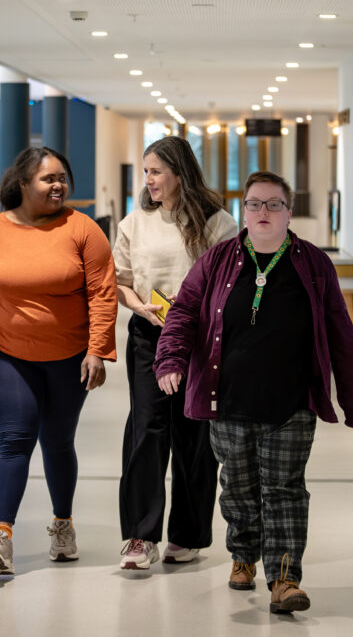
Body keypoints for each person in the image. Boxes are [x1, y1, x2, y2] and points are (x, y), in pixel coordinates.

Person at [154, 171, 353, 614]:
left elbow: (340, 333)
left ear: (289, 212)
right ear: (243, 211)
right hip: (227, 400)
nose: (264, 212)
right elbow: (183, 313)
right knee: (238, 488)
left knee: (286, 490)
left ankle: (285, 578)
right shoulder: (216, 260)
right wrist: (170, 360)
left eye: (274, 204)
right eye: (255, 204)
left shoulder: (312, 263)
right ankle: (242, 554)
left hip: (291, 403)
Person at [0, 146, 118, 576]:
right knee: (14, 440)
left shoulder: (83, 229)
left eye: (63, 178)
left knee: (58, 441)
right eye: (49, 178)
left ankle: (62, 523)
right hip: (9, 354)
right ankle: (1, 536)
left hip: (69, 356)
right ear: (23, 183)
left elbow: (103, 292)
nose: (59, 185)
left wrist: (98, 349)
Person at [112, 135, 238, 570]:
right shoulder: (134, 223)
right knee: (147, 430)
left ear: (180, 174)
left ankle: (186, 536)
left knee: (193, 438)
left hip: (201, 343)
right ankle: (140, 537)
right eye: (145, 171)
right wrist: (138, 306)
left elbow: (230, 284)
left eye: (156, 171)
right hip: (149, 337)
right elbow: (121, 280)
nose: (148, 180)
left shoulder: (217, 223)